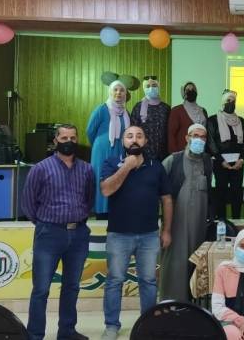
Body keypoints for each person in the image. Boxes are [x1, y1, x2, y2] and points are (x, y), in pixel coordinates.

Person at [99, 126, 173, 340]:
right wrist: (127, 167)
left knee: (148, 281)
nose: (134, 140)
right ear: (123, 141)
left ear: (145, 141)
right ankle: (111, 325)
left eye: (139, 136)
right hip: (118, 235)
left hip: (149, 235)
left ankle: (147, 325)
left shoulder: (156, 166)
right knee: (114, 281)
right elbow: (106, 190)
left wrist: (166, 230)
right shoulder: (111, 163)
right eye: (129, 136)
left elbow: (167, 199)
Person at [21, 124, 95, 340]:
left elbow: (89, 199)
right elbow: (28, 202)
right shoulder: (40, 169)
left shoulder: (87, 169)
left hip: (78, 234)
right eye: (64, 138)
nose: (68, 142)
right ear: (55, 141)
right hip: (49, 234)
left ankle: (67, 331)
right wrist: (44, 224)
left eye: (72, 137)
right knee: (41, 289)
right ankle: (35, 335)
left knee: (71, 287)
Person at [159, 123, 213, 303]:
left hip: (198, 225)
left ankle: (193, 304)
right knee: (175, 263)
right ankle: (170, 302)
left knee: (195, 262)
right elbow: (158, 191)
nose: (199, 140)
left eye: (203, 137)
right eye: (195, 136)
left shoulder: (207, 162)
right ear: (187, 138)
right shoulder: (172, 160)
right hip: (175, 224)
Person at [87, 79, 130, 215]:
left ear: (125, 94)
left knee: (117, 176)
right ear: (110, 92)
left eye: (122, 90)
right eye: (115, 90)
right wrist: (99, 144)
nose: (118, 93)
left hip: (119, 149)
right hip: (102, 151)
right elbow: (90, 131)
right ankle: (100, 210)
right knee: (101, 177)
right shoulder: (102, 109)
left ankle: (114, 208)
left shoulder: (125, 112)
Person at [207, 90, 244, 220]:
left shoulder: (241, 121)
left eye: (233, 101)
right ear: (223, 103)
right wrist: (220, 160)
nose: (231, 103)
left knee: (237, 194)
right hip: (220, 163)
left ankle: (236, 221)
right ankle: (222, 222)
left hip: (238, 164)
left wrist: (242, 159)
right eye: (228, 101)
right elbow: (210, 141)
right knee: (221, 194)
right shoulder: (213, 120)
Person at [130, 75, 171, 161]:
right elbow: (133, 129)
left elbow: (169, 130)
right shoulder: (138, 107)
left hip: (163, 152)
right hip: (143, 152)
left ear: (158, 87)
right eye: (148, 86)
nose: (151, 88)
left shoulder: (166, 108)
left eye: (154, 85)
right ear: (144, 89)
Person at [168, 81, 208, 153]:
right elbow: (171, 134)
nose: (191, 91)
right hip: (182, 151)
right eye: (188, 90)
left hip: (201, 151)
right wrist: (174, 153)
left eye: (193, 89)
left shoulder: (203, 111)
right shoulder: (176, 110)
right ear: (184, 93)